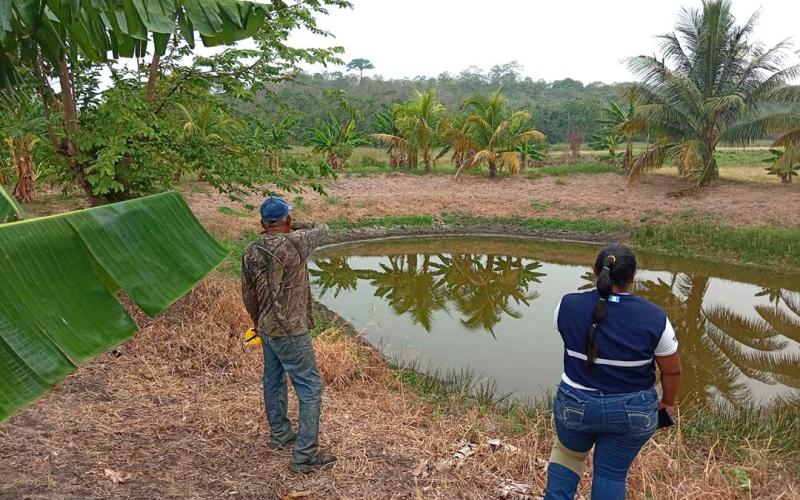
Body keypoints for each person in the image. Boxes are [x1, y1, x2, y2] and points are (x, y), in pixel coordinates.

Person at [544, 245, 682, 500]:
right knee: (611, 474)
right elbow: (672, 371)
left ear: (595, 272)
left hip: (575, 405)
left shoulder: (567, 305)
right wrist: (667, 402)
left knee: (567, 459)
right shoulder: (654, 317)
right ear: (633, 277)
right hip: (632, 412)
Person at [240, 196, 336, 473]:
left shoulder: (251, 250)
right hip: (291, 330)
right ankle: (304, 456)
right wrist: (297, 225)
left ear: (262, 223)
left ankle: (280, 435)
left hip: (267, 327)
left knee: (273, 379)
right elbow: (324, 228)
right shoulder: (297, 241)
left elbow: (248, 295)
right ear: (288, 221)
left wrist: (258, 322)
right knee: (310, 387)